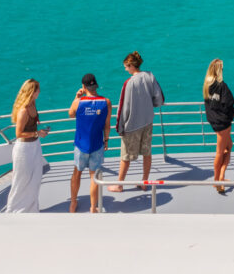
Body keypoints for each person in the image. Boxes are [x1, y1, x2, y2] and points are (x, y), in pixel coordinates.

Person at [108, 51, 165, 193]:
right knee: (147, 152)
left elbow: (123, 108)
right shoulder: (150, 76)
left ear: (131, 65)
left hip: (132, 126)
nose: (125, 69)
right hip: (147, 122)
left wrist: (120, 127)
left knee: (126, 156)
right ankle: (144, 182)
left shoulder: (128, 83)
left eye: (126, 66)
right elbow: (159, 99)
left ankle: (119, 184)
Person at [68, 73, 112, 212]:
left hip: (81, 145)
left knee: (77, 173)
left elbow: (71, 114)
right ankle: (93, 207)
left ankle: (73, 203)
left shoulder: (78, 102)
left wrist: (77, 97)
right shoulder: (106, 102)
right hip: (97, 144)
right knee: (94, 176)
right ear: (95, 85)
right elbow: (107, 125)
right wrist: (106, 140)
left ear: (83, 86)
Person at [5, 79, 49, 213]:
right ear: (32, 92)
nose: (39, 92)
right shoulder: (24, 111)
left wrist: (38, 134)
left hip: (34, 146)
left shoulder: (33, 103)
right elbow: (18, 133)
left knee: (35, 177)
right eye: (37, 89)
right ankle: (14, 210)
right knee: (21, 181)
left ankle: (31, 208)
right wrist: (37, 132)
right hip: (24, 150)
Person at [203, 59, 234, 194]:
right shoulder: (222, 86)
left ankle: (220, 177)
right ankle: (218, 180)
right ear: (219, 70)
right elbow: (228, 102)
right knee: (220, 151)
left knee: (228, 147)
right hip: (223, 123)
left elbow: (213, 104)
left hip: (214, 122)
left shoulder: (207, 85)